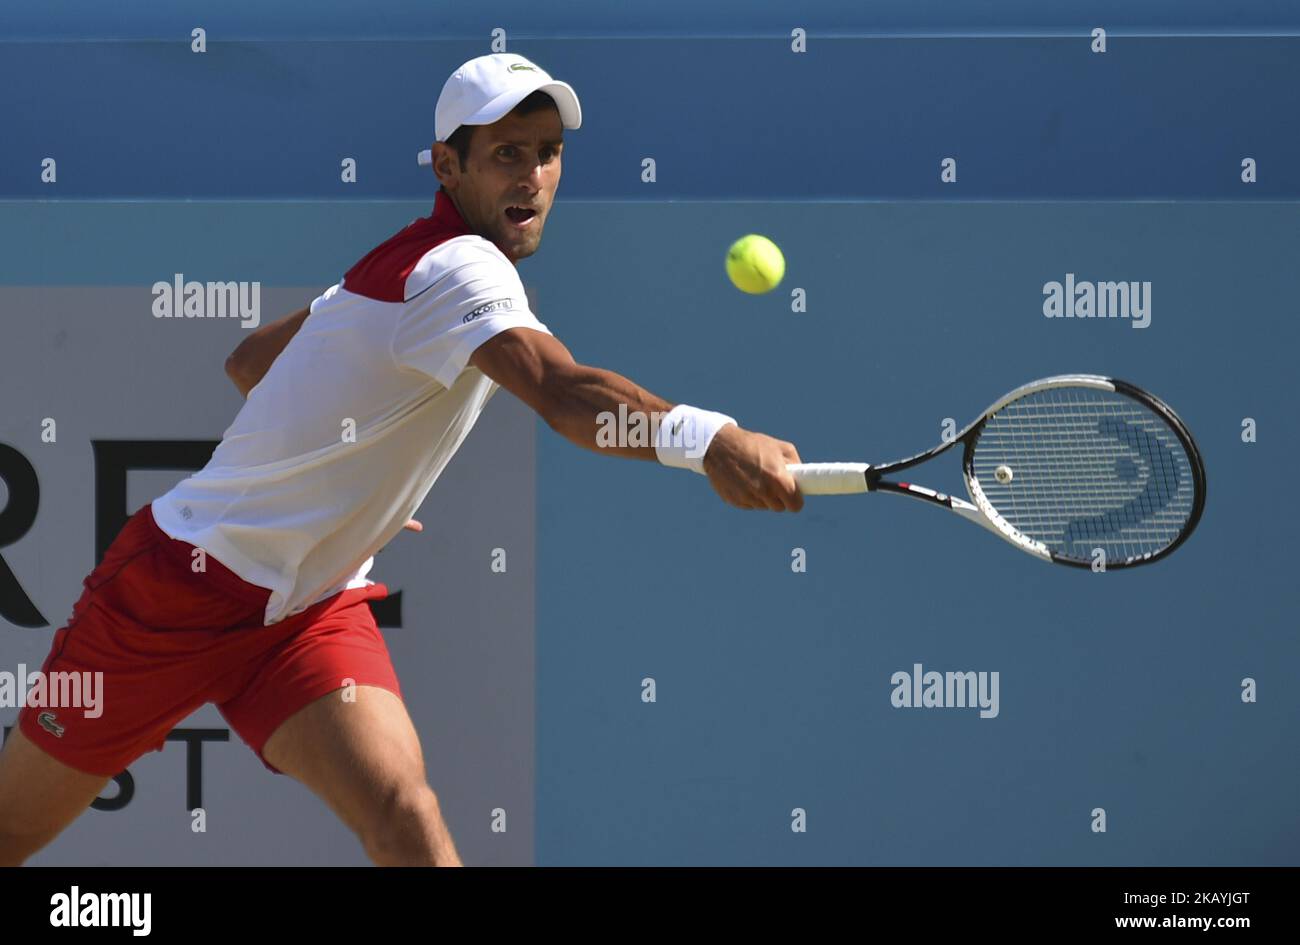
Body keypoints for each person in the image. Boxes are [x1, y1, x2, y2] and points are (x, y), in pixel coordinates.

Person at [0, 52, 803, 867]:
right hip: (175, 592)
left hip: (310, 608)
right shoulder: (457, 267)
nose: (531, 175)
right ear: (448, 166)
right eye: (505, 154)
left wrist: (355, 483)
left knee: (403, 812)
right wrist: (706, 439)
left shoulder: (401, 261)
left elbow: (251, 361)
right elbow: (563, 394)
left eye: (547, 151)